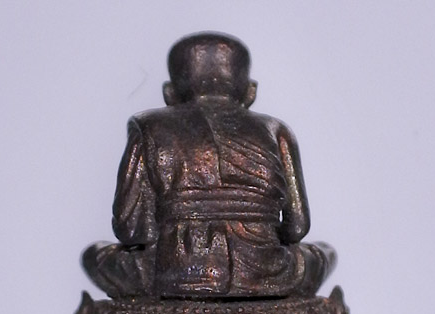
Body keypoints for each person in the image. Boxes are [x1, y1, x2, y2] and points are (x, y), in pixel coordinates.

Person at [82, 32, 336, 299]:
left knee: (95, 256)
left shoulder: (147, 126)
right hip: (267, 271)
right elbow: (297, 228)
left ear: (169, 93)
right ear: (251, 92)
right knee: (323, 253)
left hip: (176, 271)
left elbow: (130, 230)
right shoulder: (276, 130)